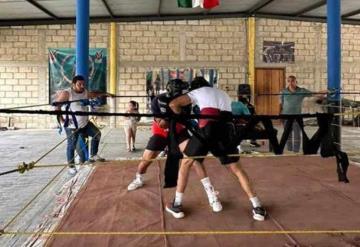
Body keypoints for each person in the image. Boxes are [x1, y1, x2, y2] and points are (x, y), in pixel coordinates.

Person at [166, 76, 266, 221]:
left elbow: (173, 104)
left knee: (186, 163)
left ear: (196, 87)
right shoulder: (222, 93)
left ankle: (177, 204)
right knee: (237, 169)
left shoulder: (198, 91)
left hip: (207, 129)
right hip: (226, 132)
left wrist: (181, 117)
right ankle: (257, 207)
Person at [127, 79, 222, 215]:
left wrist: (179, 113)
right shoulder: (158, 100)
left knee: (195, 159)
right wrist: (171, 114)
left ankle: (211, 193)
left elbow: (186, 118)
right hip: (161, 133)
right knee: (147, 159)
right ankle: (139, 178)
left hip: (179, 132)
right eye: (182, 91)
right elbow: (161, 124)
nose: (185, 93)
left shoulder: (185, 101)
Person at [55, 75, 110, 175]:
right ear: (73, 84)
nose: (82, 86)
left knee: (97, 134)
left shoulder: (85, 92)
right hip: (72, 126)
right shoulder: (67, 93)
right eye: (79, 84)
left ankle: (93, 154)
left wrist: (106, 94)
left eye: (83, 84)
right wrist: (61, 119)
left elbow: (93, 94)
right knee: (71, 145)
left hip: (84, 123)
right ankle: (71, 166)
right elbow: (56, 106)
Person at [280, 75, 325, 153]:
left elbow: (313, 94)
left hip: (297, 116)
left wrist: (323, 93)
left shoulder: (301, 91)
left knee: (297, 133)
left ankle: (296, 151)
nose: (291, 83)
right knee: (287, 133)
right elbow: (281, 104)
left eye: (292, 81)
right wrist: (280, 114)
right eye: (289, 81)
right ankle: (289, 149)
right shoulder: (283, 91)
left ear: (296, 82)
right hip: (286, 115)